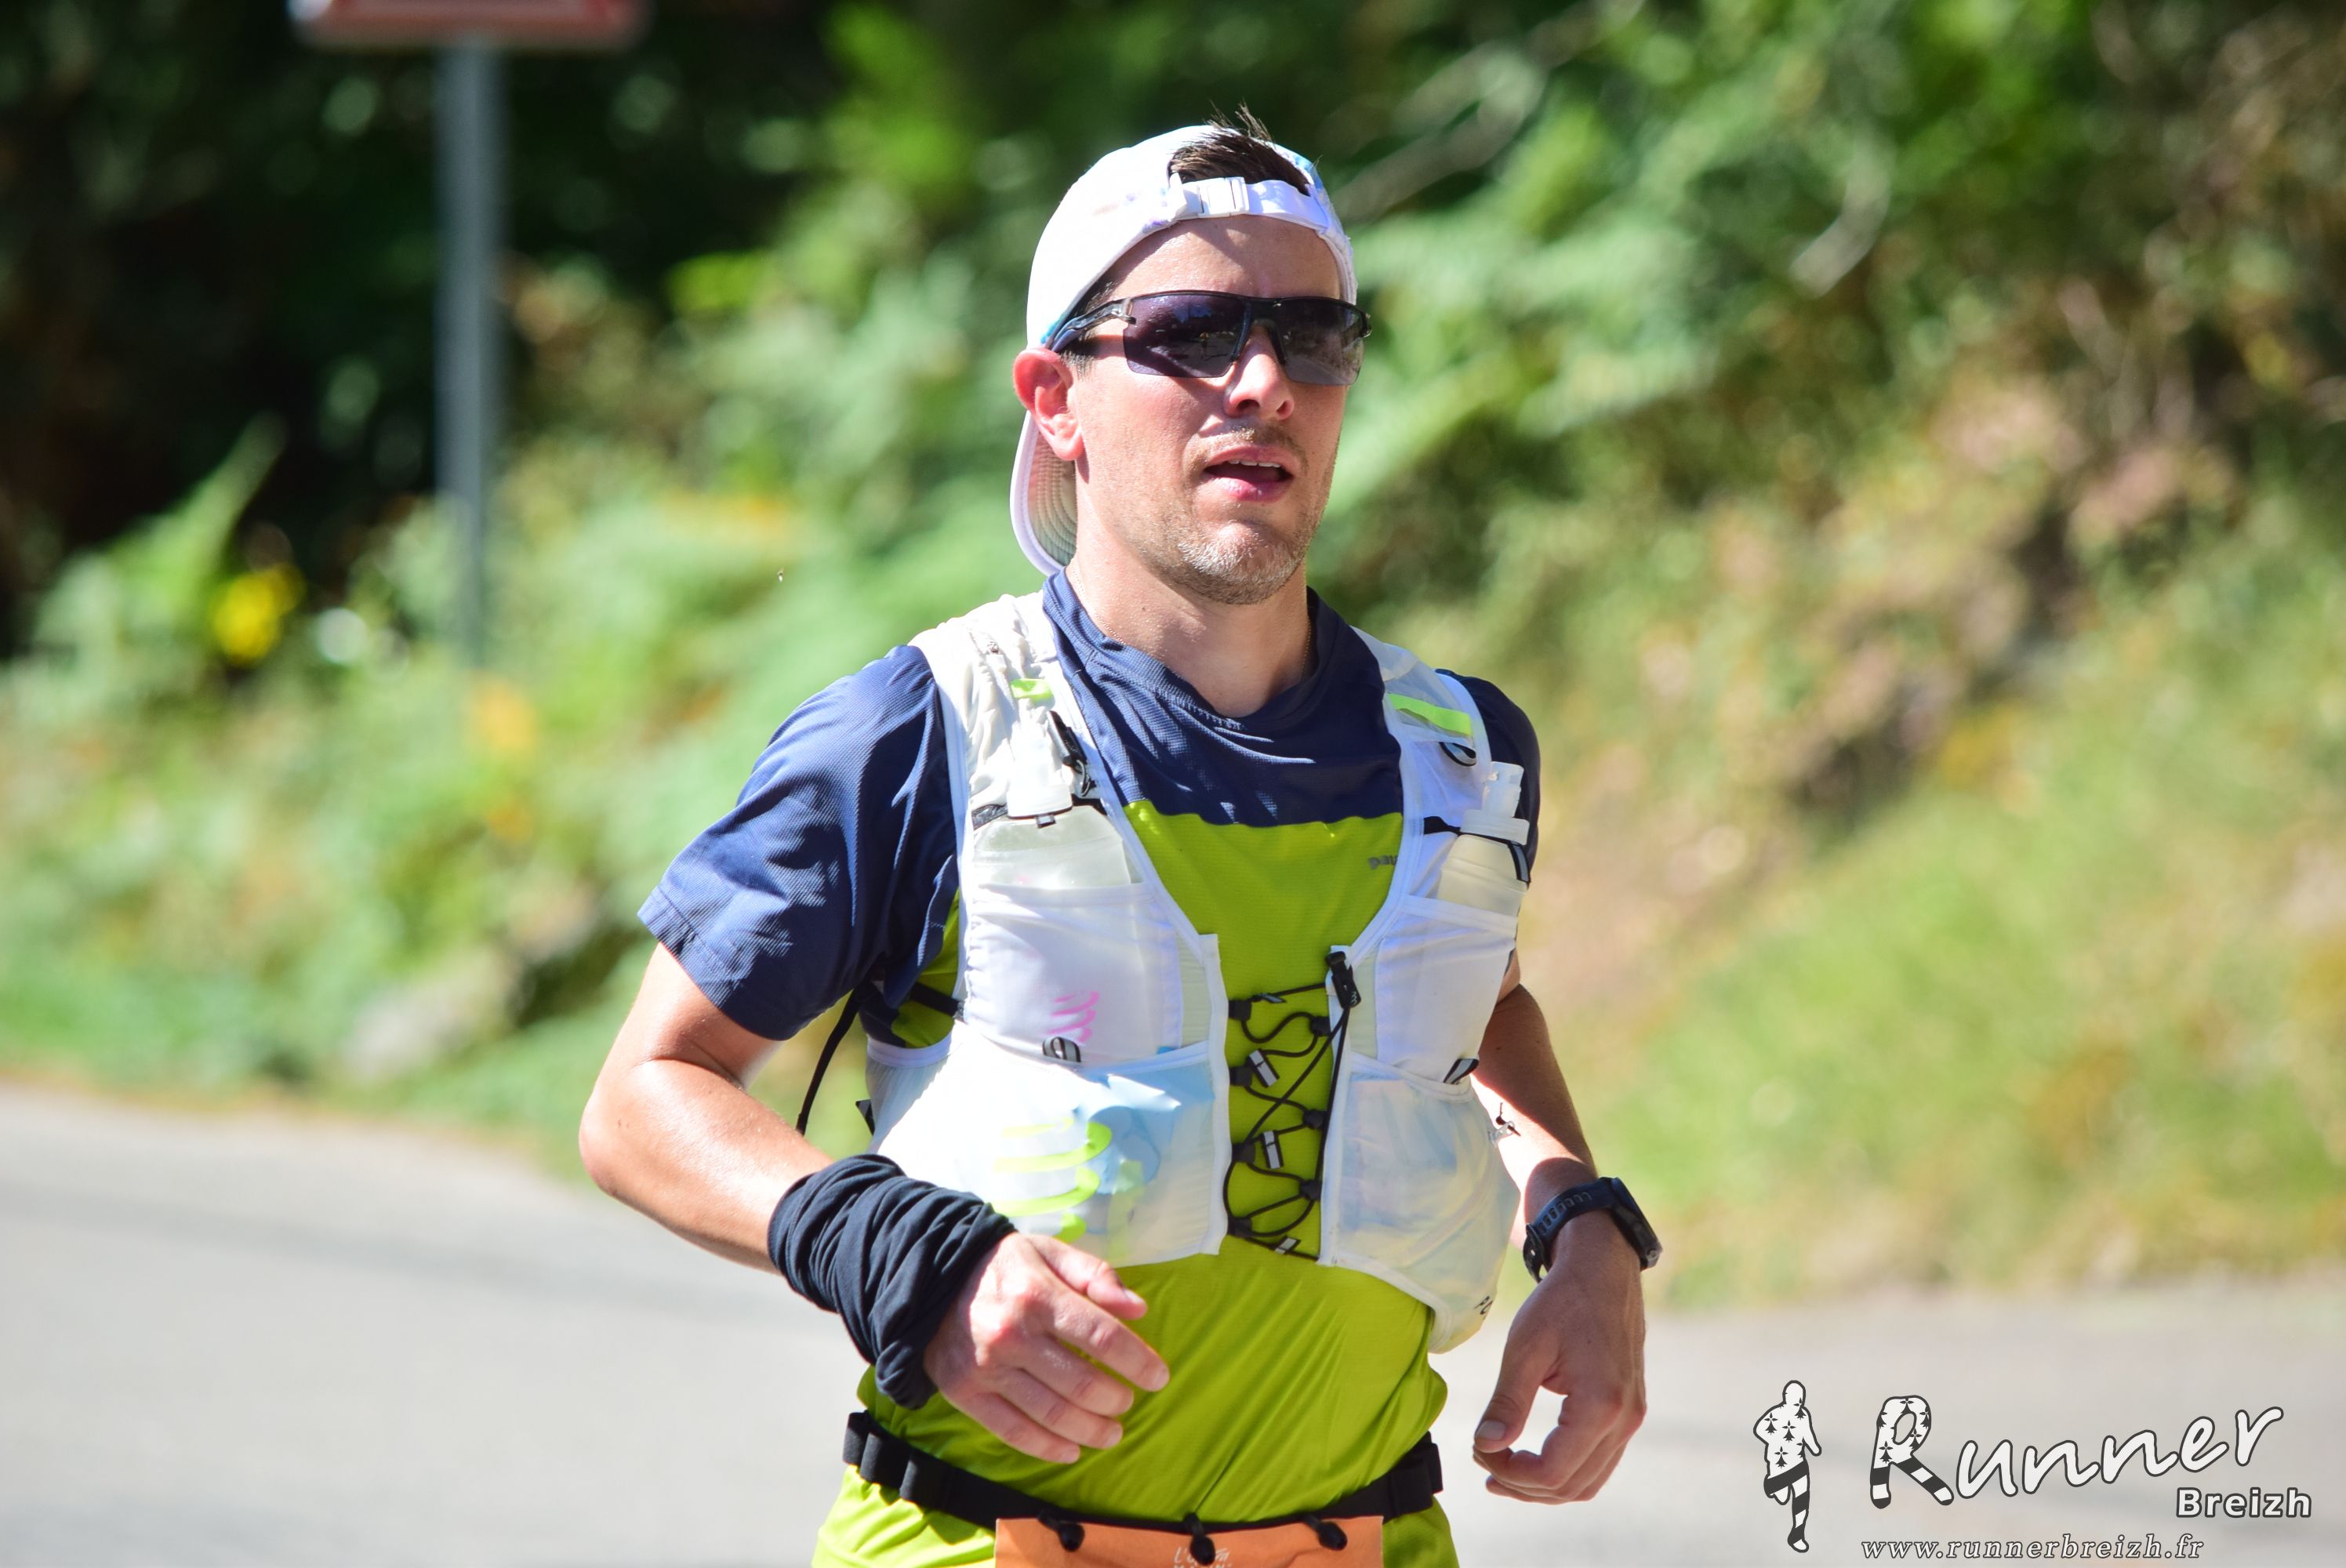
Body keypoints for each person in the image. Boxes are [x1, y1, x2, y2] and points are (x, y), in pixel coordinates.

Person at [580, 113, 1658, 1568]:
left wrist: (1581, 1226)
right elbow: (644, 1096)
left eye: (1314, 337)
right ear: (1056, 400)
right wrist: (899, 1251)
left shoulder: (1460, 750)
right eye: (1192, 334)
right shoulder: (922, 729)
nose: (1262, 383)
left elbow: (1475, 1004)